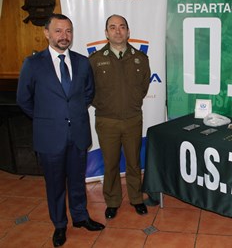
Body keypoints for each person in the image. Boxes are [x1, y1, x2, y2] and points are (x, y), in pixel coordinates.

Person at [17, 13, 105, 247]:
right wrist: (48, 119)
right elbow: (24, 99)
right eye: (58, 31)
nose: (64, 36)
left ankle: (80, 217)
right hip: (49, 137)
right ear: (47, 33)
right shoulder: (33, 64)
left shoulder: (82, 62)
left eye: (68, 31)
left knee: (77, 180)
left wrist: (71, 115)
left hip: (77, 133)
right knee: (54, 185)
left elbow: (88, 93)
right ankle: (59, 225)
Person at [89, 14, 150, 219]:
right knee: (111, 163)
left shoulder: (140, 58)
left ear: (128, 31)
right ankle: (113, 201)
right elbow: (90, 90)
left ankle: (136, 198)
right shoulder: (95, 60)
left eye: (122, 27)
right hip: (107, 121)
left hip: (133, 119)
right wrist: (106, 106)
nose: (118, 31)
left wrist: (130, 103)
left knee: (133, 162)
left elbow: (143, 87)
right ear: (106, 33)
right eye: (113, 27)